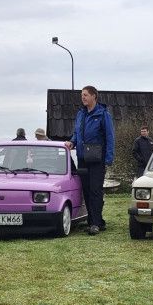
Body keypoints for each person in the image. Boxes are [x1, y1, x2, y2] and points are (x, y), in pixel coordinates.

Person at [64, 85, 115, 235]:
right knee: (86, 190)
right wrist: (72, 142)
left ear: (94, 96)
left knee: (95, 190)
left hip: (97, 158)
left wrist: (108, 158)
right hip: (82, 157)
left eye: (85, 95)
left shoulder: (103, 114)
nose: (83, 97)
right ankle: (95, 221)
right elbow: (77, 133)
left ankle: (95, 223)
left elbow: (110, 137)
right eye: (82, 95)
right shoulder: (81, 114)